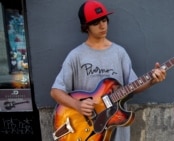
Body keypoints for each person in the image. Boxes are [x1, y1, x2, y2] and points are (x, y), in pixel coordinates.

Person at [50, 0, 167, 141]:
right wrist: (78, 105)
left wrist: (152, 80)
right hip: (87, 131)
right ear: (86, 27)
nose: (102, 25)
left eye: (104, 20)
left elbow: (133, 86)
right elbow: (55, 91)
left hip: (117, 132)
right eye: (96, 22)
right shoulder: (76, 56)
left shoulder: (119, 53)